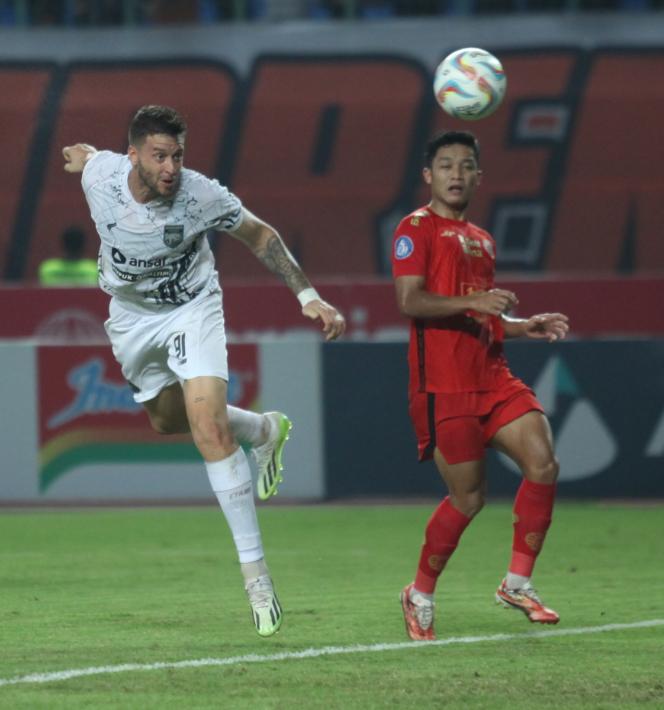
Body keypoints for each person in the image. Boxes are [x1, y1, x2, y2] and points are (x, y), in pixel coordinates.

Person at [61, 105, 346, 637]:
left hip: (194, 309)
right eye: (159, 156)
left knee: (208, 430)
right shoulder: (103, 178)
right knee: (168, 421)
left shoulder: (201, 194)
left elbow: (262, 237)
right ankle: (264, 429)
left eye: (177, 155)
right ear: (135, 156)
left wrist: (308, 296)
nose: (170, 167)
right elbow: (89, 158)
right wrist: (80, 157)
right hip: (131, 319)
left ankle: (256, 580)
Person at [392, 131, 570, 641]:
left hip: (493, 376)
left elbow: (483, 317)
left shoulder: (483, 239)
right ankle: (420, 593)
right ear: (428, 176)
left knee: (543, 461)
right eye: (444, 165)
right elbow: (411, 301)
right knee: (468, 498)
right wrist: (477, 304)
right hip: (443, 385)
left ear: (477, 177)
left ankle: (518, 582)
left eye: (465, 165)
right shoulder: (414, 229)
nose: (455, 174)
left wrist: (522, 324)